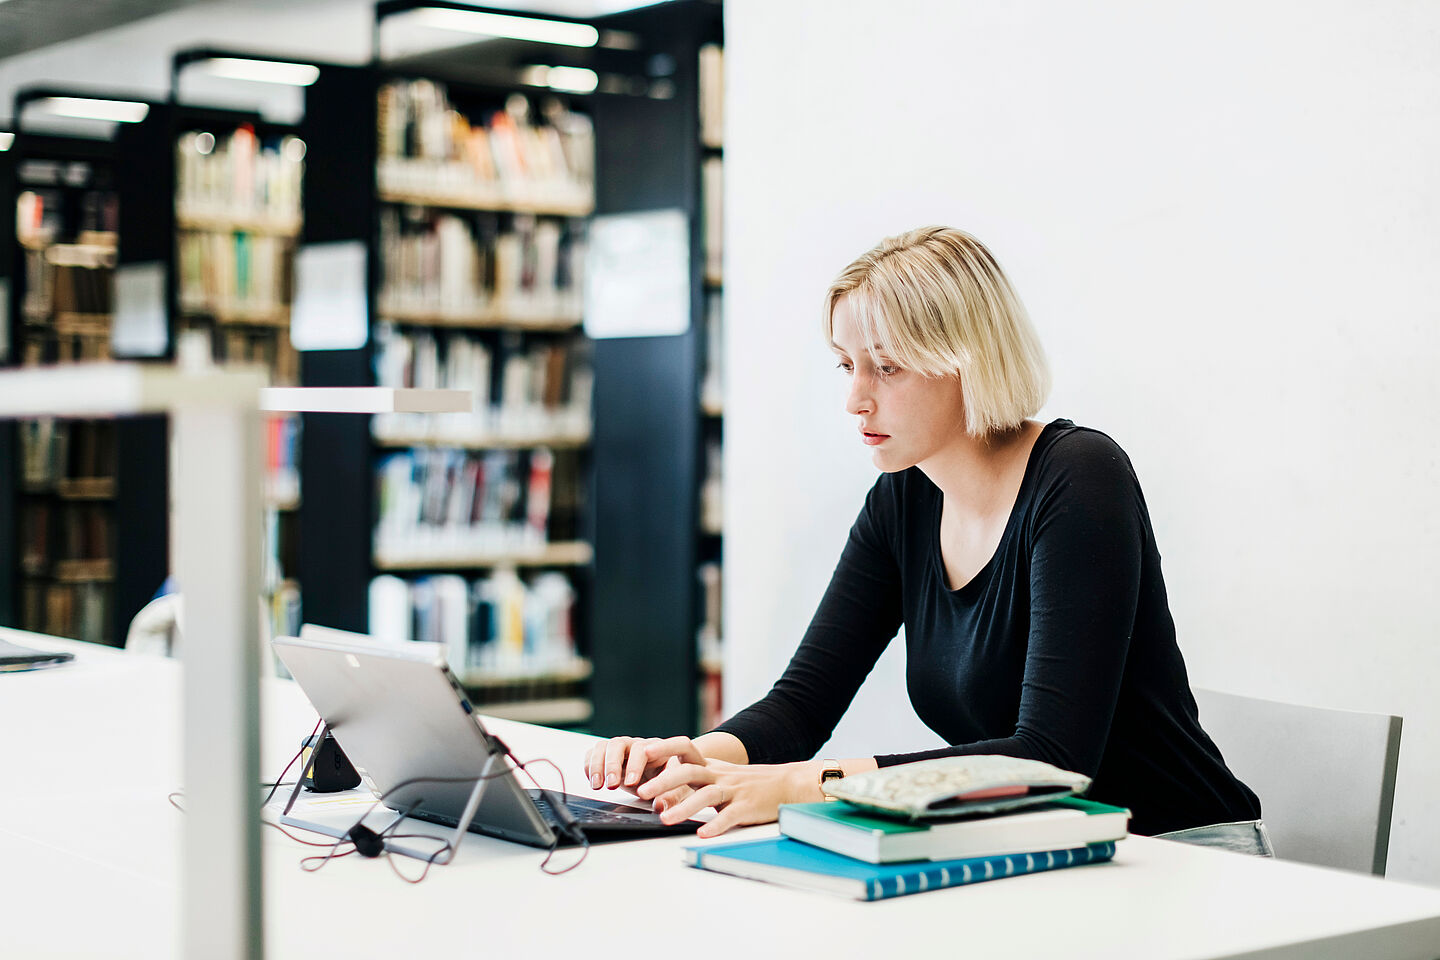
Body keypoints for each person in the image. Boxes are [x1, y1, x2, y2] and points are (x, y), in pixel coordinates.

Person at [585, 226, 1267, 853]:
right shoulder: (904, 497)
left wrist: (797, 786)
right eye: (845, 365)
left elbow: (1050, 757)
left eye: (886, 367)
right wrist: (701, 755)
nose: (855, 398)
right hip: (1045, 852)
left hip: (1181, 853)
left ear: (968, 361)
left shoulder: (1080, 475)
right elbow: (801, 705)